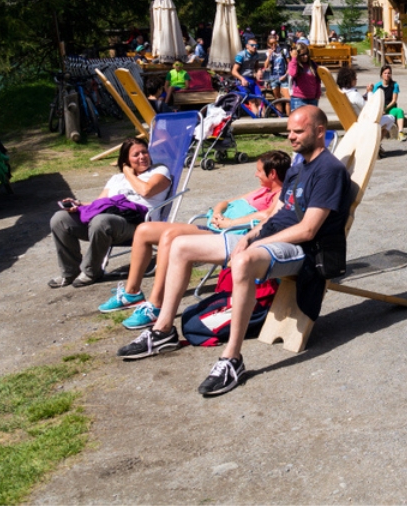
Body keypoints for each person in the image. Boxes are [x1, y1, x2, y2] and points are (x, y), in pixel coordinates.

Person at [117, 107, 352, 397]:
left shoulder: (329, 170)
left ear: (319, 132)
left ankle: (232, 358)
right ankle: (163, 330)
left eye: (298, 131)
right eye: (289, 131)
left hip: (302, 250)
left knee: (242, 262)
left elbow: (308, 230)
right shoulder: (297, 167)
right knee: (180, 245)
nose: (291, 136)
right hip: (268, 238)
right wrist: (250, 235)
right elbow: (275, 213)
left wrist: (258, 243)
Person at [99, 151, 291, 330]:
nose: (256, 175)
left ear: (272, 174)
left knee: (170, 237)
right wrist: (217, 213)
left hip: (227, 234)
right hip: (217, 225)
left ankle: (156, 304)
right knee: (144, 230)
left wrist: (230, 222)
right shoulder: (261, 190)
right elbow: (226, 202)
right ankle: (132, 293)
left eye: (259, 171)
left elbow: (267, 215)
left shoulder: (280, 194)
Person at [49, 138, 172, 288]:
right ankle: (70, 272)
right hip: (108, 222)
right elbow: (99, 203)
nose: (142, 157)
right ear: (126, 159)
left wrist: (128, 173)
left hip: (139, 224)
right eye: (136, 154)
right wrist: (79, 204)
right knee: (60, 219)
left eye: (144, 152)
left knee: (101, 221)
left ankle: (91, 271)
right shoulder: (116, 179)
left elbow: (146, 191)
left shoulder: (160, 171)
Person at [336, 67, 398, 136]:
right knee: (391, 118)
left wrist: (366, 93)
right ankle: (377, 141)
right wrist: (370, 92)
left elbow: (359, 102)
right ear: (350, 80)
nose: (356, 80)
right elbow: (370, 109)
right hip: (365, 123)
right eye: (355, 78)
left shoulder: (342, 94)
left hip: (351, 123)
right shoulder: (354, 95)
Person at [371, 65, 407, 141]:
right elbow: (373, 100)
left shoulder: (394, 85)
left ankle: (400, 132)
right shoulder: (377, 86)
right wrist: (380, 110)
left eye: (389, 73)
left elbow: (394, 100)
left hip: (390, 108)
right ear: (381, 74)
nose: (387, 75)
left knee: (400, 111)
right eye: (385, 73)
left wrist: (385, 108)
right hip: (380, 108)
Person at [288, 43, 320, 111]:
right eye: (302, 55)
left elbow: (317, 80)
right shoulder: (293, 64)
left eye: (307, 54)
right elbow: (292, 74)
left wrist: (318, 94)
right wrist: (294, 58)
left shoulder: (313, 65)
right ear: (297, 55)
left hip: (312, 99)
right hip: (298, 99)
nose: (305, 56)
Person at [263, 34, 290, 113]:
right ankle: (280, 116)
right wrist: (269, 55)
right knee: (277, 99)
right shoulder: (268, 53)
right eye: (271, 43)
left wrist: (286, 75)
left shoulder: (283, 51)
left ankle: (289, 116)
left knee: (288, 99)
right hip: (273, 78)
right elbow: (265, 66)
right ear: (268, 44)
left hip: (283, 77)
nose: (274, 45)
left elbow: (290, 65)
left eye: (275, 42)